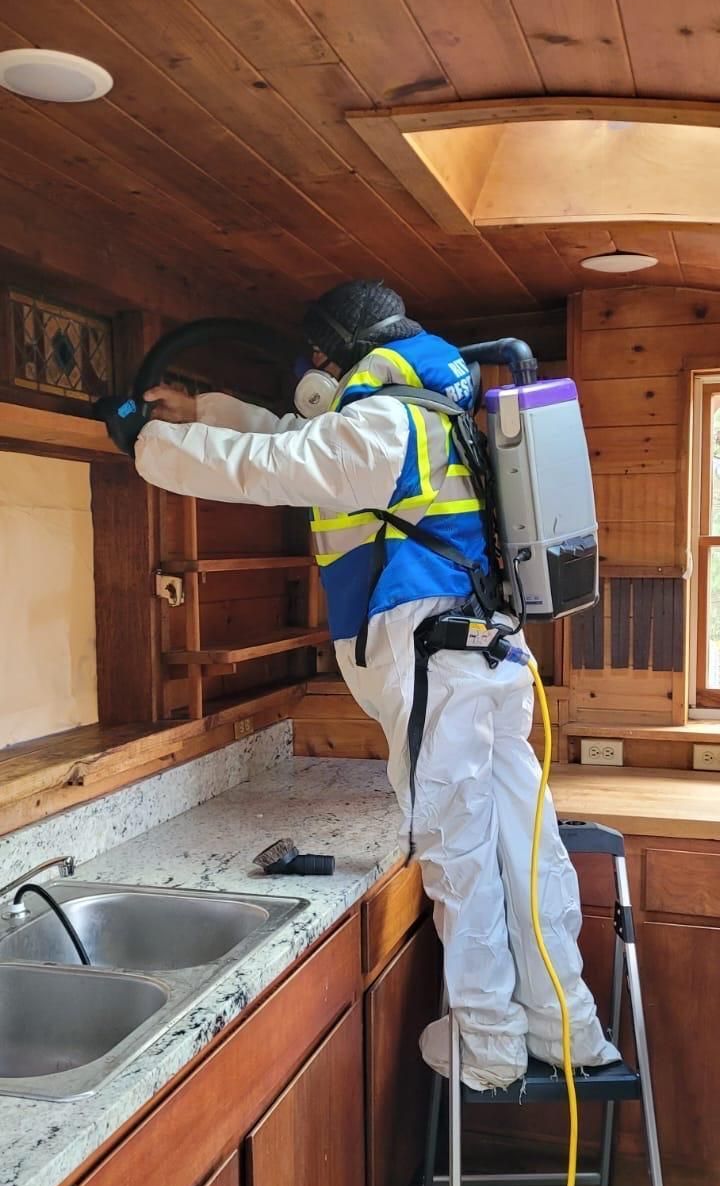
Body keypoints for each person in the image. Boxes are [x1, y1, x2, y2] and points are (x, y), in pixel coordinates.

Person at [100, 281, 618, 1091]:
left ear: (341, 356)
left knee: (459, 849)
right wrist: (202, 409)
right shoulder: (429, 408)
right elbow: (297, 436)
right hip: (486, 654)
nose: (316, 378)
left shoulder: (383, 422)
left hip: (434, 658)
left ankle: (487, 1047)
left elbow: (275, 463)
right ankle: (569, 1027)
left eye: (320, 364)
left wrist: (149, 447)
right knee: (523, 839)